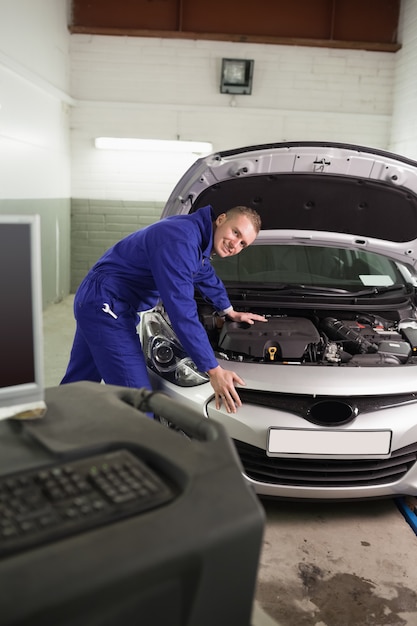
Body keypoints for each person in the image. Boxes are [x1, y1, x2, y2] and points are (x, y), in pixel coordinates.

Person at [61, 204, 267, 413]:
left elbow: (204, 273)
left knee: (78, 385)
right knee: (139, 403)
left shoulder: (197, 238)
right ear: (221, 219)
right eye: (235, 232)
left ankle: (50, 433)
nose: (235, 245)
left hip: (99, 300)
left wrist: (228, 310)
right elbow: (182, 311)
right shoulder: (182, 240)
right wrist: (213, 370)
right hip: (106, 305)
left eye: (243, 244)